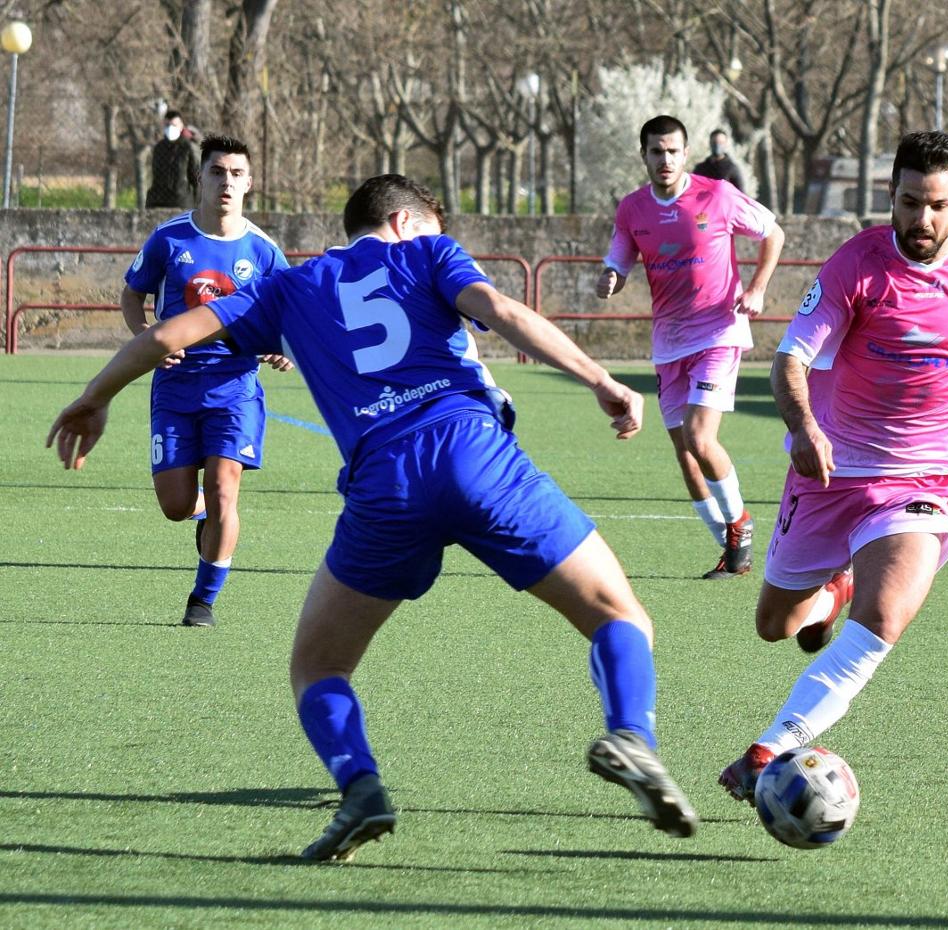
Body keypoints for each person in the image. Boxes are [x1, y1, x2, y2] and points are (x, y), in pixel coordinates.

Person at [50, 174, 699, 861]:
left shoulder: (290, 288)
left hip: (384, 484)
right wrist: (601, 381)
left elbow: (169, 332)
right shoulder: (428, 254)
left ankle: (360, 789)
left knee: (317, 668)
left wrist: (96, 396)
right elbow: (502, 309)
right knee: (619, 616)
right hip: (473, 454)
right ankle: (631, 735)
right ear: (402, 222)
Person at [717, 130, 948, 801]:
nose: (920, 220)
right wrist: (805, 427)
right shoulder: (856, 266)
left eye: (935, 205)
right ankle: (835, 587)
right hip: (831, 471)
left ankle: (770, 747)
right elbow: (790, 360)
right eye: (907, 203)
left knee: (885, 617)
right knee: (775, 625)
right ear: (890, 195)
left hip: (922, 480)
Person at [596, 114, 785, 580]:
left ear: (685, 153)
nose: (665, 160)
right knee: (686, 454)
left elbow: (773, 232)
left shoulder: (716, 194)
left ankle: (740, 524)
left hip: (719, 332)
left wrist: (758, 287)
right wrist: (611, 279)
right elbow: (619, 261)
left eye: (673, 151)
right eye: (656, 152)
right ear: (644, 155)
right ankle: (729, 548)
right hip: (669, 341)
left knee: (702, 439)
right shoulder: (632, 209)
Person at [121, 133, 292, 628]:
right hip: (175, 388)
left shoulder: (262, 250)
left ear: (250, 184)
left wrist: (282, 348)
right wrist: (150, 338)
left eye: (237, 174)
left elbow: (290, 310)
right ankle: (208, 520)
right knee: (176, 506)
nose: (227, 182)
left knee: (224, 490)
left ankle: (203, 600)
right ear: (200, 177)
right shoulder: (169, 239)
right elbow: (131, 297)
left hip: (235, 386)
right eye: (218, 172)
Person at [146, 111, 199, 210]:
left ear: (181, 126)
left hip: (182, 203)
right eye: (167, 125)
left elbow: (196, 179)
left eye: (174, 125)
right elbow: (155, 177)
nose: (170, 128)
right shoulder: (159, 148)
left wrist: (198, 205)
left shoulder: (189, 147)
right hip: (159, 202)